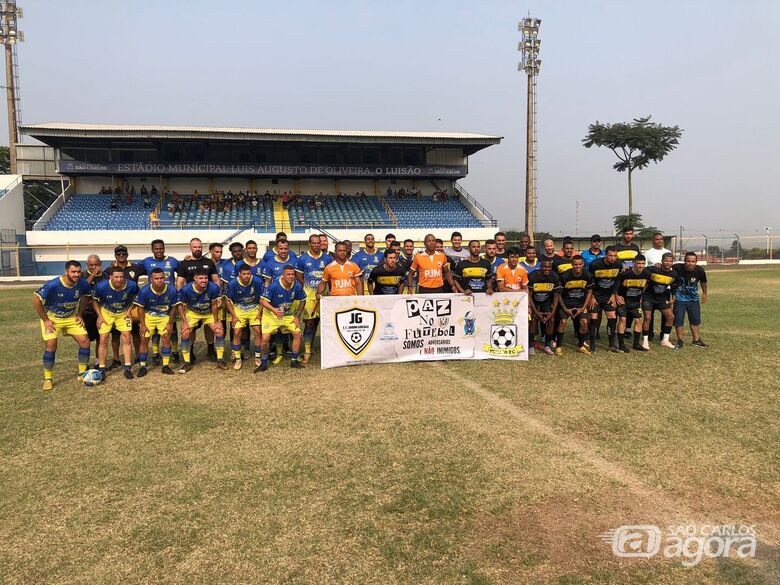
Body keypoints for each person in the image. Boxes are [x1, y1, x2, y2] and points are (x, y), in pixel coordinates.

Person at [33, 261, 92, 390]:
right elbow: (36, 299)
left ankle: (82, 373)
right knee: (51, 345)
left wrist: (80, 314)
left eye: (78, 271)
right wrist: (46, 320)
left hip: (71, 317)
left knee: (85, 341)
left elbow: (87, 296)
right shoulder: (54, 285)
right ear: (66, 272)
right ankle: (48, 379)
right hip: (53, 318)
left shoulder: (82, 283)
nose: (76, 274)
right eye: (73, 272)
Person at [177, 237, 221, 361]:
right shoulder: (184, 263)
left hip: (208, 299)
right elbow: (180, 282)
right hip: (192, 302)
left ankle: (211, 350)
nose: (197, 249)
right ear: (190, 248)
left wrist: (218, 296)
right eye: (195, 247)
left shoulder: (209, 262)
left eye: (199, 247)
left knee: (209, 326)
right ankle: (190, 352)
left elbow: (216, 279)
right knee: (191, 329)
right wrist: (181, 299)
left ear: (202, 248)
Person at [92, 267, 139, 379]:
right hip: (106, 312)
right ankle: (102, 368)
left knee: (127, 338)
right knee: (103, 339)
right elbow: (94, 300)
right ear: (110, 277)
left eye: (121, 277)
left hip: (123, 312)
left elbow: (137, 297)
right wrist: (99, 316)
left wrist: (129, 311)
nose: (119, 279)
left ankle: (128, 368)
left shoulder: (131, 285)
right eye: (116, 277)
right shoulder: (101, 286)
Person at [256, 266, 306, 372]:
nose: (291, 276)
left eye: (292, 274)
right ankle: (263, 363)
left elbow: (303, 300)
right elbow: (263, 301)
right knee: (265, 338)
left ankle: (294, 361)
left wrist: (297, 317)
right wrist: (274, 310)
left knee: (298, 334)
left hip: (287, 315)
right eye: (288, 274)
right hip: (271, 314)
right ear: (283, 275)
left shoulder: (297, 286)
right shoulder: (274, 286)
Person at [176, 269, 227, 372]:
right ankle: (187, 363)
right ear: (195, 279)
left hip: (208, 313)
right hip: (193, 313)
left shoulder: (213, 287)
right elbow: (180, 306)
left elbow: (213, 305)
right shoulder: (186, 289)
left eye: (206, 278)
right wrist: (185, 322)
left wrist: (216, 321)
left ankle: (220, 361)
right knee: (185, 332)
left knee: (219, 330)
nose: (204, 280)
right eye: (201, 278)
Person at [140, 239, 180, 364]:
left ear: (164, 248)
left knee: (171, 329)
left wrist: (188, 260)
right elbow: (134, 269)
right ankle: (156, 353)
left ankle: (174, 352)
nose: (159, 251)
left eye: (161, 248)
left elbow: (183, 270)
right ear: (152, 249)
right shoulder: (147, 261)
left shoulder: (172, 261)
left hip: (169, 299)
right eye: (156, 249)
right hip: (153, 301)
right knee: (155, 331)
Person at [295, 234, 333, 363]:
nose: (317, 245)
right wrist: (306, 288)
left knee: (326, 323)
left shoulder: (327, 259)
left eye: (319, 243)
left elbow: (330, 276)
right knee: (309, 323)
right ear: (309, 244)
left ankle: (331, 349)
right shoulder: (302, 258)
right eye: (314, 243)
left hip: (325, 296)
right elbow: (299, 276)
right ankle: (307, 351)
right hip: (309, 296)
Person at [134, 268, 178, 376]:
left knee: (166, 337)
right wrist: (142, 325)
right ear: (151, 280)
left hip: (164, 316)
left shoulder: (172, 290)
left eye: (162, 278)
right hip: (149, 316)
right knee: (144, 339)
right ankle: (143, 366)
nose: (159, 280)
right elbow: (140, 308)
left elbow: (173, 308)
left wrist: (170, 323)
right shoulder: (144, 290)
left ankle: (165, 366)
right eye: (156, 278)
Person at [225, 264, 265, 370]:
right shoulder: (232, 283)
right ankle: (238, 359)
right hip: (239, 308)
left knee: (257, 331)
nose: (246, 276)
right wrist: (233, 316)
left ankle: (257, 357)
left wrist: (259, 313)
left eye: (248, 273)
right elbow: (228, 300)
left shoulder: (257, 281)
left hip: (254, 307)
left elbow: (262, 298)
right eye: (244, 274)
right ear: (239, 274)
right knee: (237, 332)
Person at [587, 246, 623, 353]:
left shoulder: (618, 265)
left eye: (615, 256)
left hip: (608, 296)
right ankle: (592, 344)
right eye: (610, 256)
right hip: (596, 296)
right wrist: (592, 296)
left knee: (612, 317)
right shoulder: (595, 265)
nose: (613, 258)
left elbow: (617, 281)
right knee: (593, 317)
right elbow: (590, 281)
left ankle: (612, 344)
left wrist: (613, 294)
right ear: (605, 255)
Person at [556, 255, 594, 355]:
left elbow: (589, 291)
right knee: (563, 322)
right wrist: (564, 308)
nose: (578, 267)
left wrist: (583, 307)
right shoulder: (564, 276)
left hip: (580, 304)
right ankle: (558, 347)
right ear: (572, 265)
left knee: (584, 322)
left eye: (580, 264)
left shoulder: (588, 275)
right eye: (575, 265)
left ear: (583, 264)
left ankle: (581, 345)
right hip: (566, 304)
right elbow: (558, 294)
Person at [642, 252, 678, 349]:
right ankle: (645, 341)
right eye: (666, 260)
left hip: (661, 299)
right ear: (662, 261)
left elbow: (674, 286)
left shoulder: (674, 274)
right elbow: (641, 271)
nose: (668, 263)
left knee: (670, 317)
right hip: (648, 297)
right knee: (647, 317)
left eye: (670, 261)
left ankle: (665, 340)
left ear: (672, 263)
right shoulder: (653, 269)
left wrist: (673, 297)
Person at [673, 252, 708, 349]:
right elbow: (666, 267)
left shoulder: (700, 270)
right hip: (679, 299)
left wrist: (705, 294)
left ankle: (696, 340)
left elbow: (703, 282)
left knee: (695, 320)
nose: (690, 263)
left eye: (693, 261)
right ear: (684, 261)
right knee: (679, 320)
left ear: (696, 262)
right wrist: (658, 265)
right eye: (688, 261)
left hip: (693, 299)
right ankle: (680, 341)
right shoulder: (677, 267)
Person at [527, 259, 561, 356]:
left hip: (547, 302)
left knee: (551, 321)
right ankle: (531, 346)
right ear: (540, 267)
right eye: (545, 267)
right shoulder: (533, 276)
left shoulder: (554, 276)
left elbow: (556, 296)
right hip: (534, 302)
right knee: (533, 321)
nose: (547, 269)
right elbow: (529, 295)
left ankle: (547, 345)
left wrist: (552, 312)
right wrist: (536, 312)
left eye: (549, 267)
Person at [616, 255, 649, 352]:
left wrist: (640, 296)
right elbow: (615, 283)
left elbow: (646, 284)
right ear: (634, 263)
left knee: (639, 320)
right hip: (624, 301)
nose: (640, 266)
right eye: (638, 263)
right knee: (622, 319)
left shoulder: (646, 274)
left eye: (643, 264)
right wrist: (616, 295)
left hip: (635, 302)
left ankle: (636, 344)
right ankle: (621, 345)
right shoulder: (625, 274)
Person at [82, 254, 106, 364]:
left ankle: (98, 362)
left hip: (101, 311)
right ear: (87, 265)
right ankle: (84, 363)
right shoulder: (82, 275)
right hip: (86, 311)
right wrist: (93, 274)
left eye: (96, 264)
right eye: (91, 265)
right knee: (85, 339)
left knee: (100, 338)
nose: (93, 267)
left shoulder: (105, 276)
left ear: (100, 264)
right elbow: (83, 287)